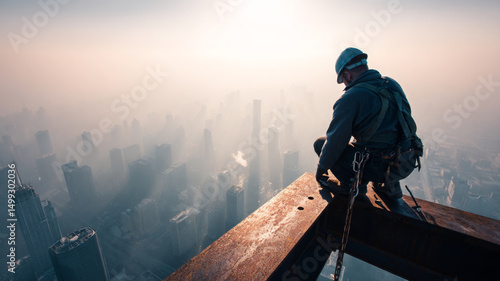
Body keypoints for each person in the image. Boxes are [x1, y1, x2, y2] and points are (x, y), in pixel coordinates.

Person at [314, 47, 423, 199]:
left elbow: (335, 142)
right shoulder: (391, 84)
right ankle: (389, 186)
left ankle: (351, 185)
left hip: (382, 167)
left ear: (347, 75)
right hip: (408, 160)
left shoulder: (350, 98)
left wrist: (321, 169)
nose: (345, 85)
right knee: (373, 142)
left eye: (343, 81)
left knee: (320, 144)